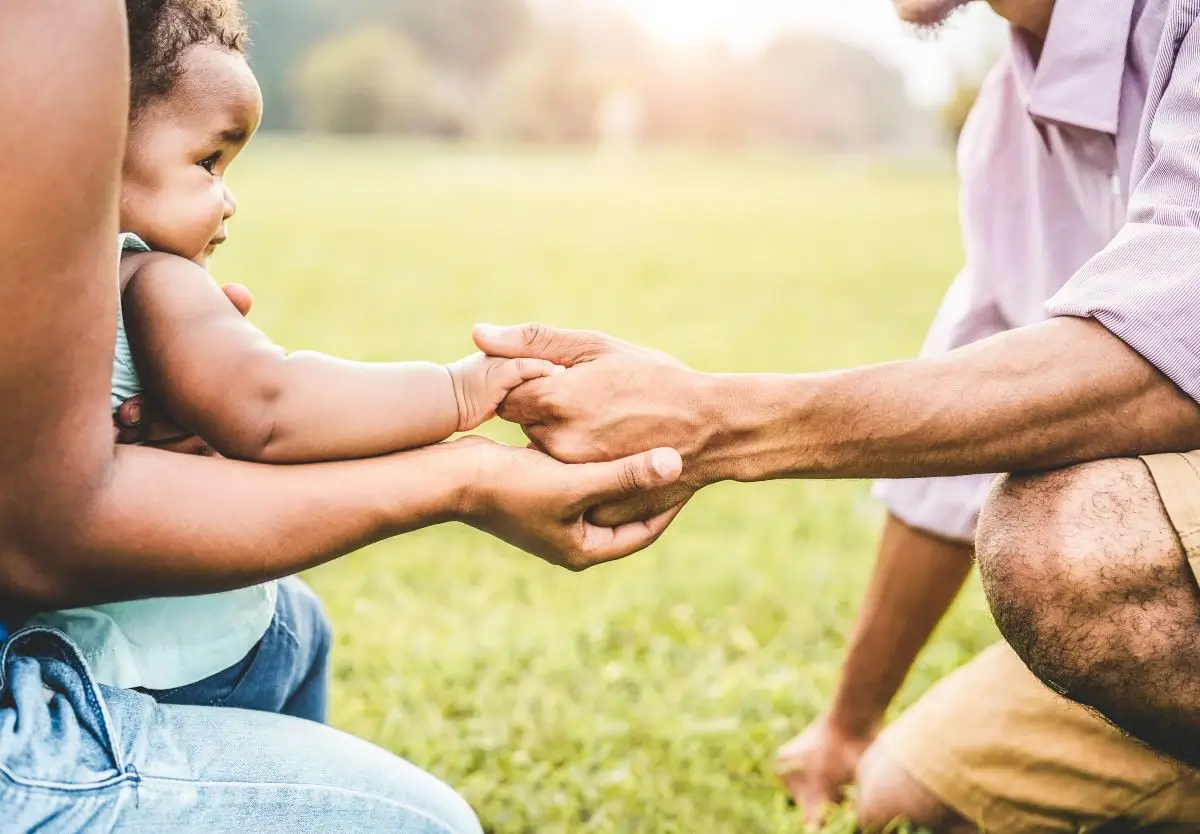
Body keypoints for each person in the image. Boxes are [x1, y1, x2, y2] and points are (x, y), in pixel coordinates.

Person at [475, 0, 1200, 828]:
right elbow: (966, 427)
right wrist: (848, 724)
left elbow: (1168, 353)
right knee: (909, 795)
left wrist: (716, 422)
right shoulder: (1010, 120)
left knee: (1075, 542)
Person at [0, 1, 682, 830]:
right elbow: (273, 403)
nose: (229, 201)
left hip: (169, 630)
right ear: (92, 144)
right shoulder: (151, 278)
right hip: (158, 662)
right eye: (209, 162)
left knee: (296, 626)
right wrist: (459, 393)